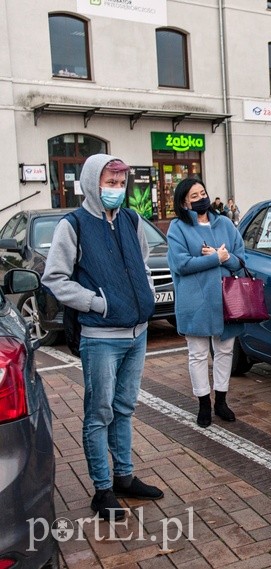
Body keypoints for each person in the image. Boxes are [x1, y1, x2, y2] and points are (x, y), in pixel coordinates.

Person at [43, 154, 163, 520]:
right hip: (101, 336)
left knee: (125, 408)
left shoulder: (130, 218)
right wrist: (97, 303)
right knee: (99, 413)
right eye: (109, 183)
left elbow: (140, 261)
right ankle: (102, 489)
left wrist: (147, 293)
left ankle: (124, 477)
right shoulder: (74, 224)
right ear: (93, 183)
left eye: (120, 183)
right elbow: (55, 278)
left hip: (137, 332)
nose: (116, 189)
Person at [167, 178, 246, 429]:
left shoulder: (224, 223)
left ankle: (221, 400)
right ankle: (203, 403)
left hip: (226, 301)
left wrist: (224, 257)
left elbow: (240, 260)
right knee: (198, 354)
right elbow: (181, 264)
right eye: (194, 196)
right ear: (184, 202)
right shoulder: (177, 228)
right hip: (196, 302)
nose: (201, 198)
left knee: (224, 351)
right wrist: (216, 258)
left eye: (203, 192)